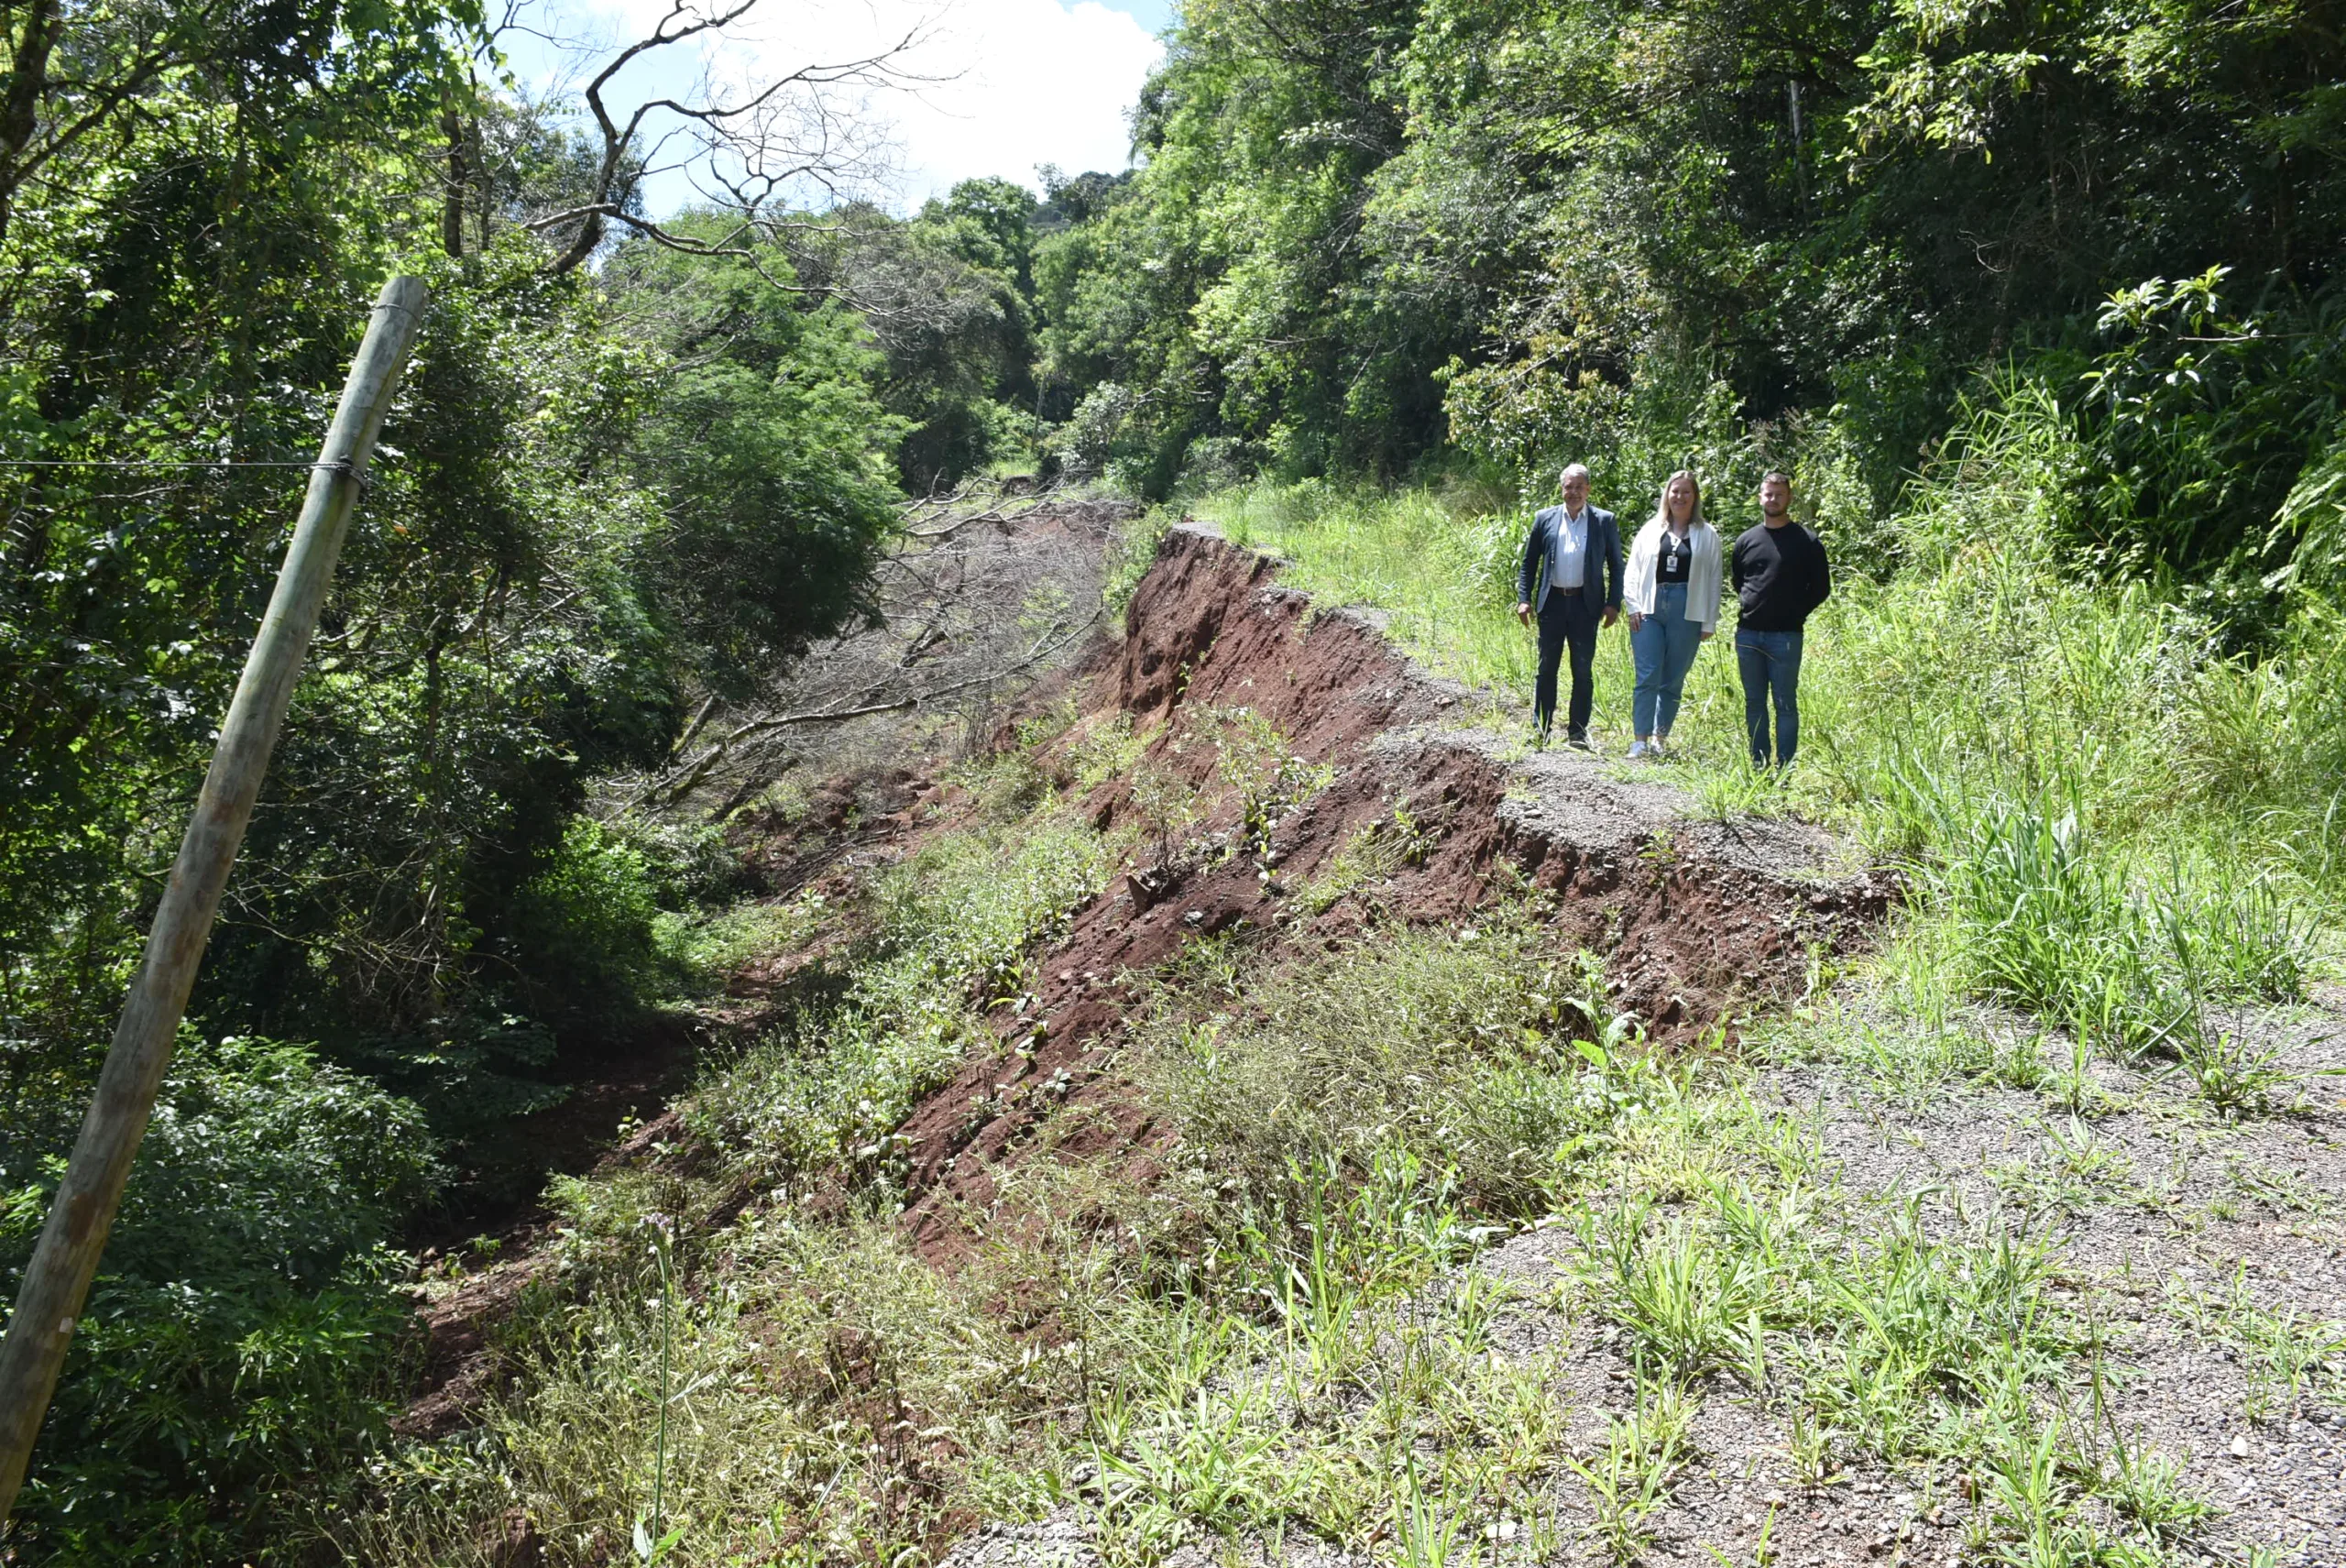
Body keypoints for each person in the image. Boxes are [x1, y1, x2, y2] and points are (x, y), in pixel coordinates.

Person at [1514, 464, 1621, 748]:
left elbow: (1616, 564)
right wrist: (1524, 599)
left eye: (1578, 487)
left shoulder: (1603, 521)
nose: (1573, 492)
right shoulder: (1544, 518)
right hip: (1552, 604)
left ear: (1588, 489)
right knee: (1546, 667)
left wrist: (1613, 603)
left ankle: (1577, 732)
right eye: (1568, 487)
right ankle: (1541, 729)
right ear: (1561, 490)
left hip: (1586, 606)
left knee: (1582, 670)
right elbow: (1529, 562)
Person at [1728, 471, 1831, 768]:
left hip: (1786, 637)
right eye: (1768, 493)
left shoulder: (1807, 542)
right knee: (1754, 703)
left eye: (1779, 494)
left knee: (1786, 704)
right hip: (1748, 635)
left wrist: (1795, 613)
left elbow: (1821, 588)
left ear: (1789, 498)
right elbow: (1740, 581)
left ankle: (1784, 769)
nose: (1773, 499)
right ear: (1760, 496)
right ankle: (1759, 765)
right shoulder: (1746, 540)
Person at [1622, 470, 1722, 759]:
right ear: (1667, 494)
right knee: (1647, 675)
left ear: (1695, 497)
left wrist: (1709, 620)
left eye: (1686, 492)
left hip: (1688, 608)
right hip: (1650, 607)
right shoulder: (1652, 529)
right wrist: (1633, 606)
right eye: (1675, 491)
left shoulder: (1707, 534)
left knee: (1673, 679)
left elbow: (1715, 578)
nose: (1679, 497)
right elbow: (1634, 570)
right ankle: (1639, 740)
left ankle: (1659, 739)